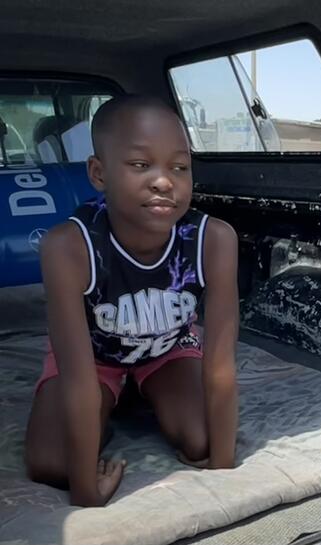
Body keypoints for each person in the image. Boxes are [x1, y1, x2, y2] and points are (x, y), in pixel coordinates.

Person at [24, 95, 239, 507]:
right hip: (94, 360)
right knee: (51, 463)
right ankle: (113, 398)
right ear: (99, 173)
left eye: (179, 167)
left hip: (167, 349)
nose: (164, 182)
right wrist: (87, 494)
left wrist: (223, 467)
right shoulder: (69, 246)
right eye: (141, 165)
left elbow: (221, 364)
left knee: (204, 439)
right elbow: (78, 378)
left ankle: (143, 390)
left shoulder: (213, 239)